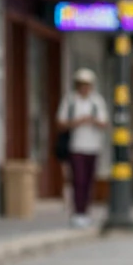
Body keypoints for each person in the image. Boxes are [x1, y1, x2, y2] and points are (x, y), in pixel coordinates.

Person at [56, 69, 108, 228]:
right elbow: (60, 123)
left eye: (87, 85)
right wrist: (77, 122)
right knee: (78, 180)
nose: (84, 88)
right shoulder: (70, 100)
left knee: (89, 181)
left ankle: (85, 212)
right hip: (75, 146)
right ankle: (77, 212)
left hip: (93, 146)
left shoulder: (97, 101)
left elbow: (104, 123)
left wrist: (92, 120)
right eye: (82, 85)